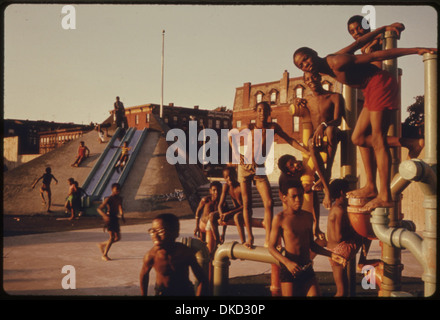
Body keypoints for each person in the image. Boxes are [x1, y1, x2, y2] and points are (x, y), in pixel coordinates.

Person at [293, 23, 436, 211]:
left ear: (313, 53)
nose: (306, 65)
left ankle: (384, 195)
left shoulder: (335, 62)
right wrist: (383, 28)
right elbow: (357, 44)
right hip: (371, 89)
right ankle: (407, 146)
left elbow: (375, 56)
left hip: (380, 84)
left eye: (306, 59)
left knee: (377, 139)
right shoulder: (329, 61)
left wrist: (417, 50)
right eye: (301, 65)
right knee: (358, 138)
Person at [230, 101, 310, 249]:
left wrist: (304, 150)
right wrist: (236, 154)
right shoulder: (250, 127)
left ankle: (268, 239)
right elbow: (231, 135)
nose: (262, 113)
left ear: (269, 113)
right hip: (244, 168)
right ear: (256, 112)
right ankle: (250, 237)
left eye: (265, 111)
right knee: (247, 203)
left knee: (269, 203)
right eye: (259, 110)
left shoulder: (273, 128)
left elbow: (290, 139)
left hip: (260, 168)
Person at [268, 179, 346, 297]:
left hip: (306, 268)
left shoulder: (308, 216)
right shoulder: (280, 219)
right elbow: (271, 247)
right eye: (293, 196)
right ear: (284, 198)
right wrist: (287, 263)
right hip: (290, 269)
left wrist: (331, 254)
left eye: (300, 195)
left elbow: (311, 244)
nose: (298, 199)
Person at [296, 71, 344, 210]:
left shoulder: (334, 97)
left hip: (333, 132)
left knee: (329, 130)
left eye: (314, 77)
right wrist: (296, 102)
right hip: (316, 139)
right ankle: (327, 188)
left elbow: (338, 120)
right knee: (311, 143)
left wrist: (324, 125)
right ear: (305, 83)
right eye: (308, 80)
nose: (311, 81)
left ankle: (327, 174)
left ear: (320, 77)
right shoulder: (308, 100)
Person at [140, 213, 208, 296]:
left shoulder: (185, 253)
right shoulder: (151, 256)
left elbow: (202, 279)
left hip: (185, 292)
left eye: (161, 231)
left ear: (175, 233)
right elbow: (144, 275)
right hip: (162, 293)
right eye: (152, 231)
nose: (155, 235)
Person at [326, 179, 363, 297]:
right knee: (341, 292)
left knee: (344, 289)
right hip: (339, 250)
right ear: (342, 192)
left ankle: (363, 260)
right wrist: (355, 232)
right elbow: (338, 236)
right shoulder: (339, 210)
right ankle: (363, 260)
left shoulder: (336, 206)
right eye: (349, 190)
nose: (351, 192)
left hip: (334, 250)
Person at [216, 166, 246, 245]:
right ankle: (218, 241)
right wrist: (221, 214)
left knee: (236, 217)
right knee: (212, 216)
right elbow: (220, 205)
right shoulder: (226, 186)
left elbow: (245, 206)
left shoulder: (240, 187)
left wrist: (230, 213)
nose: (229, 179)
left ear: (235, 176)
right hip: (235, 210)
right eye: (226, 177)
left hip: (244, 210)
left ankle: (243, 242)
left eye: (230, 176)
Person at [97, 183, 125, 261]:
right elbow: (99, 209)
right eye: (116, 190)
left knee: (118, 238)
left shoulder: (120, 198)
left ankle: (102, 244)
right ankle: (104, 255)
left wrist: (122, 216)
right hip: (109, 218)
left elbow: (120, 207)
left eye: (119, 190)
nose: (118, 191)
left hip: (115, 218)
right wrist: (104, 216)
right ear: (112, 190)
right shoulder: (109, 199)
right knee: (112, 237)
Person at [193, 181, 223, 245]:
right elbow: (198, 212)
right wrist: (196, 226)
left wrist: (223, 233)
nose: (216, 192)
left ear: (221, 190)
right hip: (202, 225)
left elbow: (224, 218)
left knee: (210, 248)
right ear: (210, 191)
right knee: (201, 247)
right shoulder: (205, 200)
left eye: (218, 190)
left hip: (211, 227)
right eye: (214, 190)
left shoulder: (222, 203)